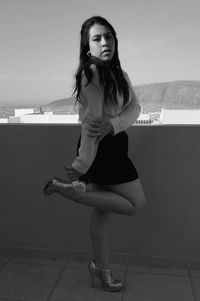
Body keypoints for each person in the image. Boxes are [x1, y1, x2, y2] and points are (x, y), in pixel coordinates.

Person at [43, 16, 146, 292]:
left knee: (101, 214)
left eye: (109, 37)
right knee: (137, 203)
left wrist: (114, 124)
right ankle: (72, 191)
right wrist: (82, 163)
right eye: (97, 38)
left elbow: (135, 108)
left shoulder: (120, 75)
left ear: (115, 41)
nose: (105, 43)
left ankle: (102, 270)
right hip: (103, 151)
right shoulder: (93, 73)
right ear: (88, 47)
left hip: (114, 143)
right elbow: (91, 125)